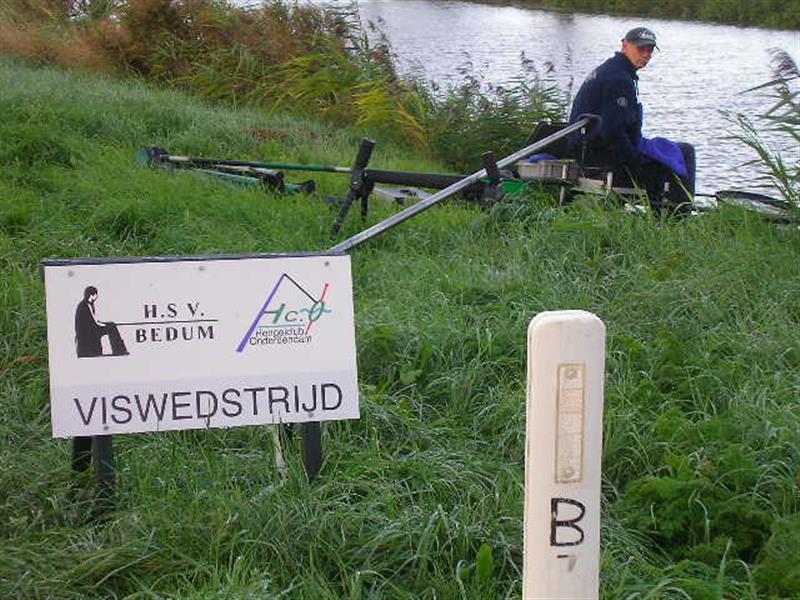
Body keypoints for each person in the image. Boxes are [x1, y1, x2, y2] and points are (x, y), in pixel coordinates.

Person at [567, 27, 696, 212]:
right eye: (641, 49)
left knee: (679, 151)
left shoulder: (611, 69)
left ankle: (675, 211)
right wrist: (635, 164)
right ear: (625, 45)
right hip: (600, 157)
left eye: (650, 50)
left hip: (589, 149)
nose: (646, 55)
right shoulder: (619, 79)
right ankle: (679, 216)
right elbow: (613, 133)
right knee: (685, 153)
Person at [74, 286, 128, 357]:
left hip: (89, 329)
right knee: (111, 327)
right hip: (89, 331)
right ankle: (119, 350)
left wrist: (105, 324)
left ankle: (119, 350)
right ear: (92, 295)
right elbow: (95, 321)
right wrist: (106, 325)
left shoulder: (85, 304)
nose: (97, 296)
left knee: (111, 325)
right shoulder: (86, 305)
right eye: (96, 295)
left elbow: (93, 320)